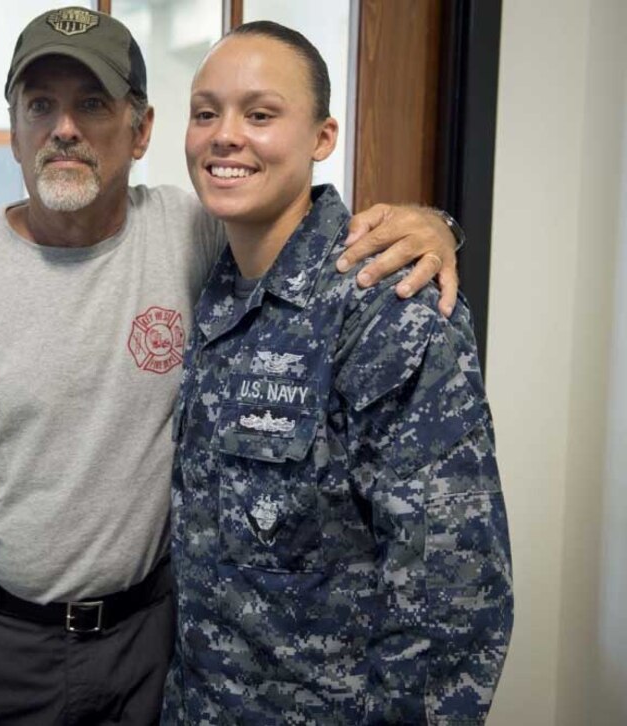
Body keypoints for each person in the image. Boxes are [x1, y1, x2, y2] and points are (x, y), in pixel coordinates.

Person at [0, 8, 463, 726]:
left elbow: (301, 230)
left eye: (92, 105)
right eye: (40, 105)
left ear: (141, 131)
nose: (65, 128)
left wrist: (432, 225)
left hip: (149, 653)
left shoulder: (197, 233)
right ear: (16, 125)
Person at [162, 21, 513, 725]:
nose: (225, 135)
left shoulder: (390, 309)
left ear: (323, 138)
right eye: (206, 112)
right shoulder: (212, 285)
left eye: (261, 114)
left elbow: (452, 597)